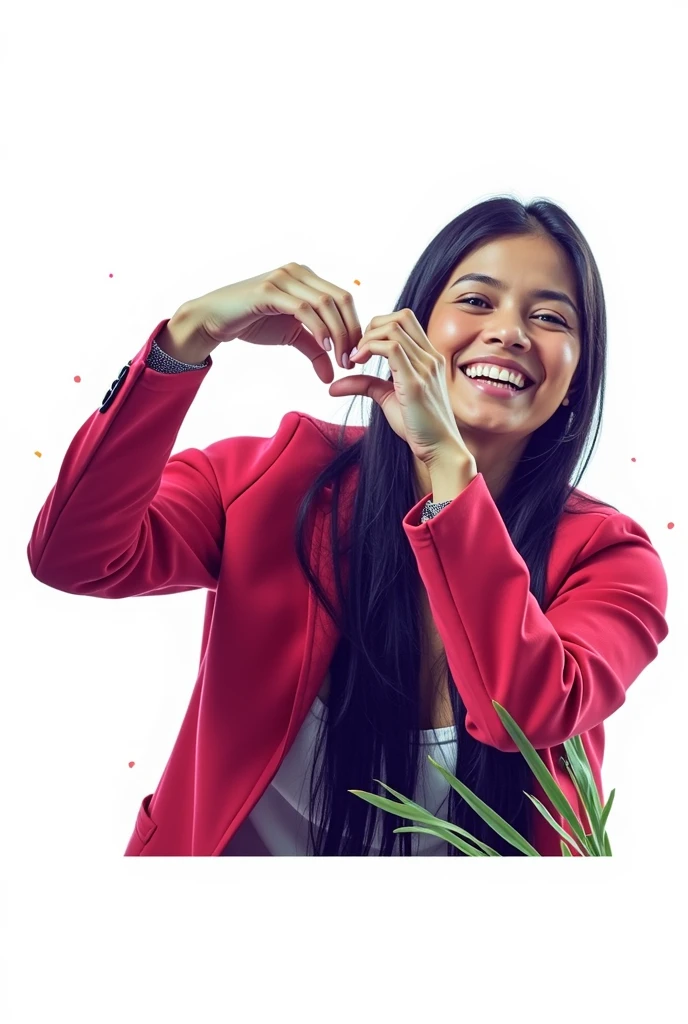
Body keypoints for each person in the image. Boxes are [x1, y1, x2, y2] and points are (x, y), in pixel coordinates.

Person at [27, 195, 669, 857]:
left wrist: (446, 464)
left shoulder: (612, 559)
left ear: (577, 376)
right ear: (412, 328)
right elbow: (73, 555)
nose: (510, 331)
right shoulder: (277, 475)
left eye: (548, 316)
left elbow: (523, 713)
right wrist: (186, 336)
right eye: (477, 301)